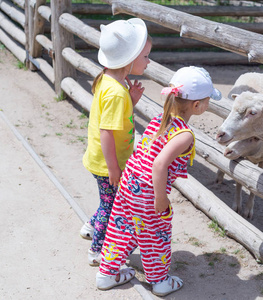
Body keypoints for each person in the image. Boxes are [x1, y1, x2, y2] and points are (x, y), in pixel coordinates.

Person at [95, 66, 222, 296]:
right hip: (147, 191)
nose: (207, 105)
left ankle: (106, 274)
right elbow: (159, 164)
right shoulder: (184, 135)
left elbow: (146, 154)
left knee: (121, 227)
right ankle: (160, 281)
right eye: (206, 101)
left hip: (129, 182)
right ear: (196, 106)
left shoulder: (159, 120)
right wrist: (160, 197)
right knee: (155, 234)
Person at [79, 18, 152, 267]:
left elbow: (114, 119)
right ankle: (97, 251)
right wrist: (114, 169)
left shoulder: (110, 81)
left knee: (106, 201)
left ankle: (91, 226)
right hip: (107, 163)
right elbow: (107, 132)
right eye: (145, 56)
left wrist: (131, 100)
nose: (148, 61)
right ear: (129, 60)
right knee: (110, 208)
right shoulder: (116, 92)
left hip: (100, 158)